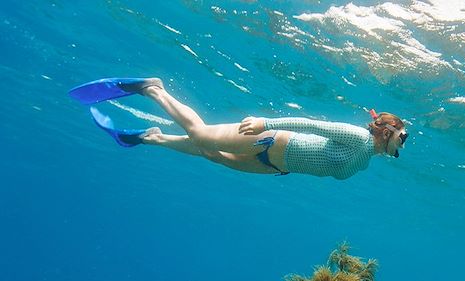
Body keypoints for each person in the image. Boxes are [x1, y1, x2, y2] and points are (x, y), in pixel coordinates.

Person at [69, 77, 408, 179]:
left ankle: (149, 137)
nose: (402, 145)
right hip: (271, 138)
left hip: (277, 166)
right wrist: (266, 122)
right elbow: (311, 124)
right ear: (386, 130)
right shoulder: (360, 138)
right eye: (402, 136)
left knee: (211, 155)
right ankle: (152, 88)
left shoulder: (365, 158)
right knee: (201, 134)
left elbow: (319, 162)